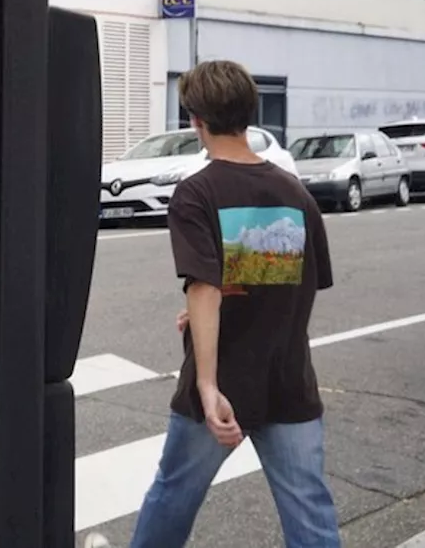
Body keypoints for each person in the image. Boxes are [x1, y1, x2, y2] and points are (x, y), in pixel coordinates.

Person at [129, 60, 339, 548]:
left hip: (223, 382)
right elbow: (295, 285)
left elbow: (205, 287)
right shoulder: (295, 193)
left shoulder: (196, 193)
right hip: (290, 381)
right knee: (309, 511)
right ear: (250, 113)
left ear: (194, 119)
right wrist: (226, 310)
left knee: (174, 495)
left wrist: (206, 385)